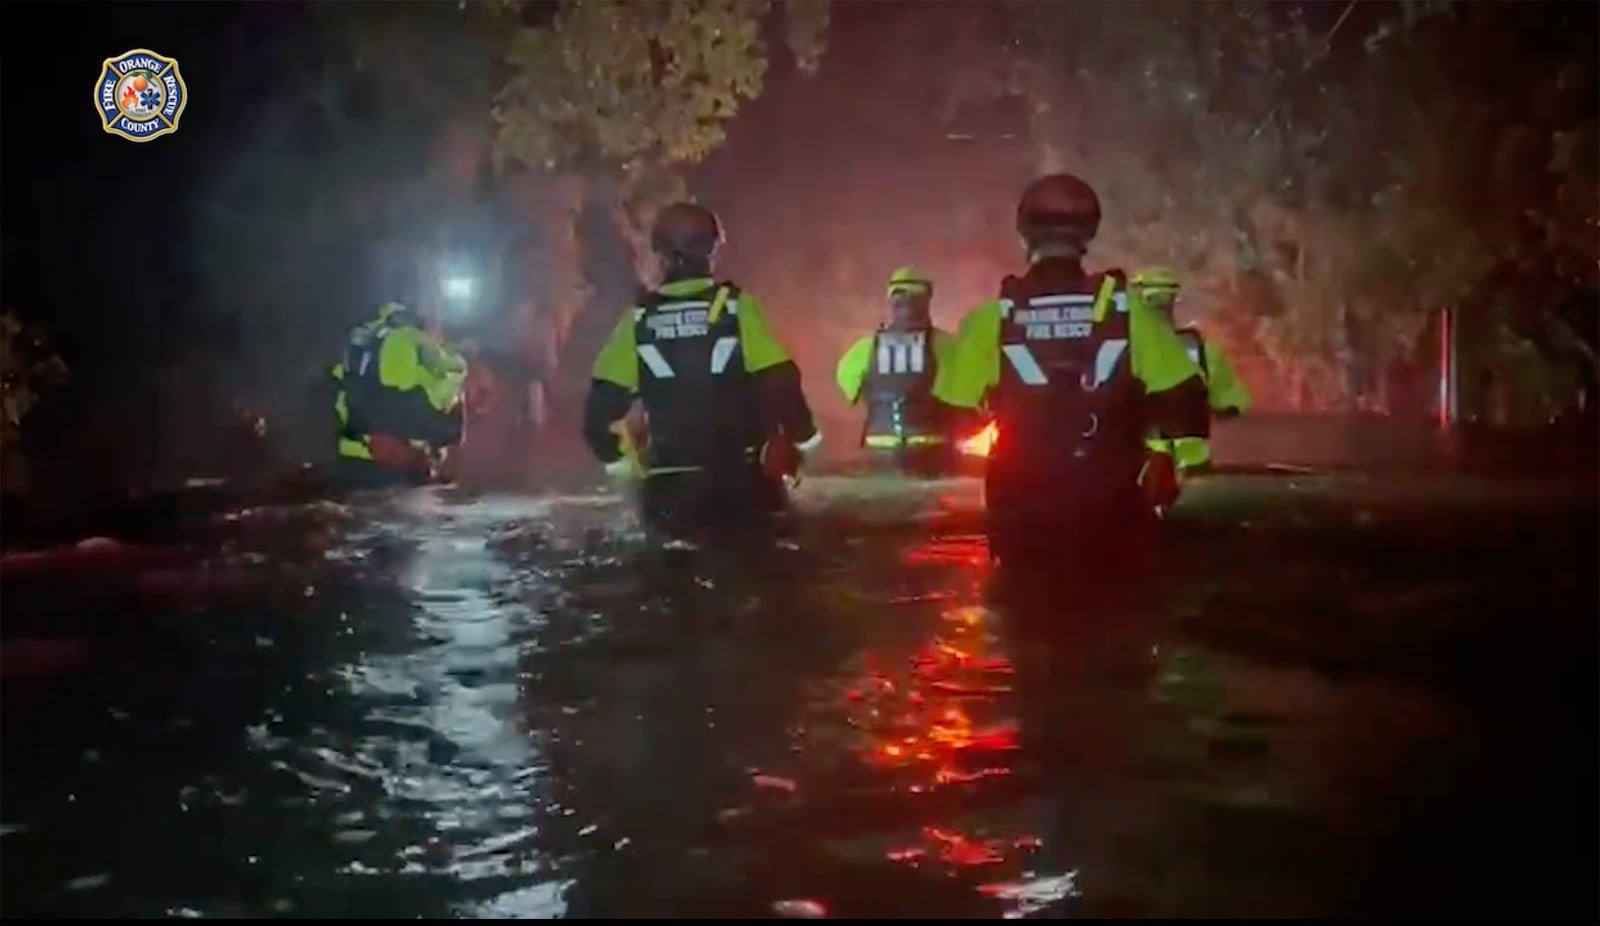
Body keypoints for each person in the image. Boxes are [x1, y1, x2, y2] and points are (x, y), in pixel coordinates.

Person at [931, 174, 1210, 569]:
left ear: (1025, 234)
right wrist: (1164, 458)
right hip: (1112, 501)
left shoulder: (991, 320)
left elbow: (950, 412)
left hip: (1021, 506)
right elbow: (1186, 400)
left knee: (1019, 615)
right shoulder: (1129, 313)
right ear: (1089, 233)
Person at [583, 202, 821, 537]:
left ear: (659, 254)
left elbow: (597, 417)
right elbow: (781, 381)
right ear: (712, 248)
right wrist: (806, 438)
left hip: (669, 489)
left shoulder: (637, 321)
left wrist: (624, 471)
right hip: (742, 484)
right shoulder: (738, 309)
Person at [834, 266, 962, 476]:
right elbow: (966, 393)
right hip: (932, 455)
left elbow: (849, 385)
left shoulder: (865, 347)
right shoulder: (947, 346)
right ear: (927, 300)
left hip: (878, 453)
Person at [331, 301, 468, 491]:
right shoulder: (413, 339)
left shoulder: (359, 338)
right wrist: (460, 368)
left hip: (354, 453)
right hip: (400, 458)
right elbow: (442, 387)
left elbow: (341, 388)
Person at [1133, 266, 1250, 477]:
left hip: (1146, 465)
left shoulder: (1126, 350)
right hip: (1191, 464)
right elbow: (1229, 400)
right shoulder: (1199, 347)